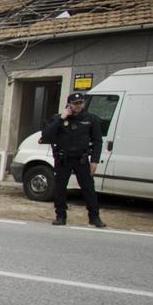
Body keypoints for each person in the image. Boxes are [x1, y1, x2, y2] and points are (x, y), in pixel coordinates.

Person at [42, 92, 106, 228]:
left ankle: (94, 217)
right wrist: (61, 119)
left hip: (81, 159)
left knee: (88, 188)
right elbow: (46, 135)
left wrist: (94, 160)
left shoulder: (91, 119)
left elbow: (97, 141)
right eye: (75, 103)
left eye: (80, 103)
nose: (78, 106)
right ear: (69, 104)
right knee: (60, 188)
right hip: (63, 159)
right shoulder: (58, 118)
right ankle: (60, 216)